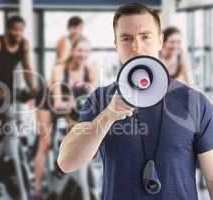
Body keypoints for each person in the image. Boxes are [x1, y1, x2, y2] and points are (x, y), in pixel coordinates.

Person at [57, 3, 213, 200]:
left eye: (145, 37)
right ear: (116, 45)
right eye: (126, 38)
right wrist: (107, 116)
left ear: (160, 41)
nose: (136, 47)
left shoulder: (194, 102)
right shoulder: (100, 100)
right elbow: (66, 162)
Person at [0, 15, 37, 198]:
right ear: (8, 30)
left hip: (8, 86)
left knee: (7, 122)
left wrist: (33, 88)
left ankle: (2, 158)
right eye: (15, 30)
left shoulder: (24, 44)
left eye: (20, 30)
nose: (18, 33)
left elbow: (27, 68)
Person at [33, 36, 97, 199]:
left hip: (72, 104)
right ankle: (38, 189)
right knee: (45, 142)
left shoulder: (91, 70)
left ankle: (66, 172)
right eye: (79, 50)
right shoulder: (59, 69)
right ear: (72, 51)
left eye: (86, 51)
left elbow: (91, 98)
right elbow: (58, 102)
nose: (82, 54)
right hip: (48, 102)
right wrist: (70, 117)